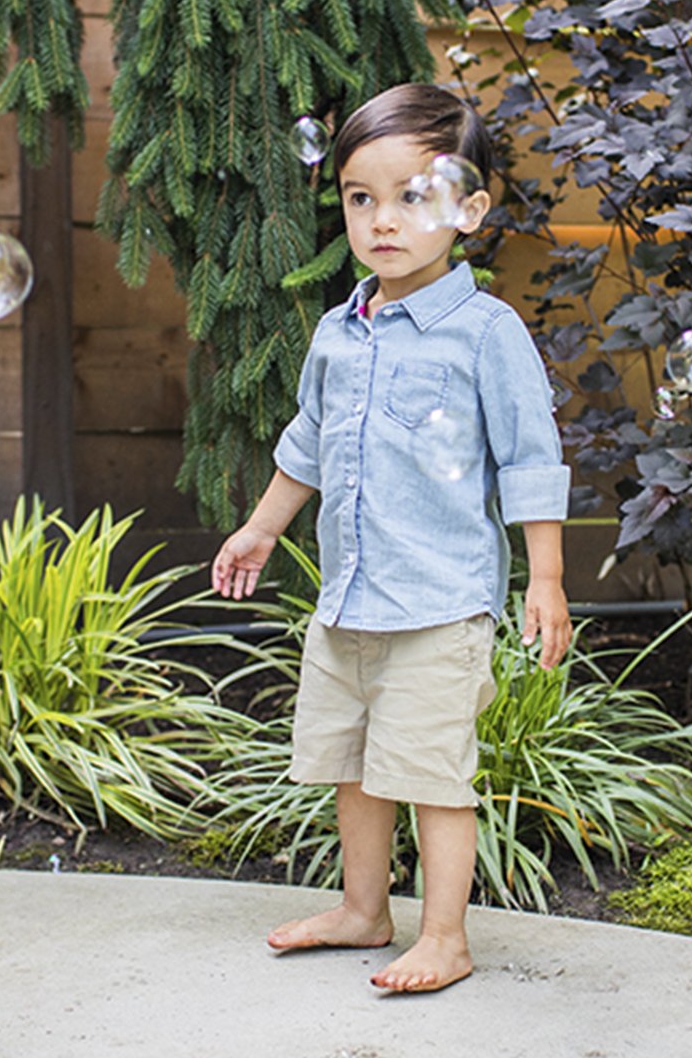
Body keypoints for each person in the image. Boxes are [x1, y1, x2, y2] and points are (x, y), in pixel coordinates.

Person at [211, 83, 572, 994]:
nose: (382, 220)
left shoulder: (487, 334)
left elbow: (532, 460)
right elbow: (308, 445)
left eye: (413, 196)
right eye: (360, 198)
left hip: (440, 607)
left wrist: (546, 579)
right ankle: (363, 909)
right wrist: (260, 528)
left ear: (469, 208)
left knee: (434, 778)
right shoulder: (339, 331)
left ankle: (445, 936)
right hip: (350, 602)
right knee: (356, 767)